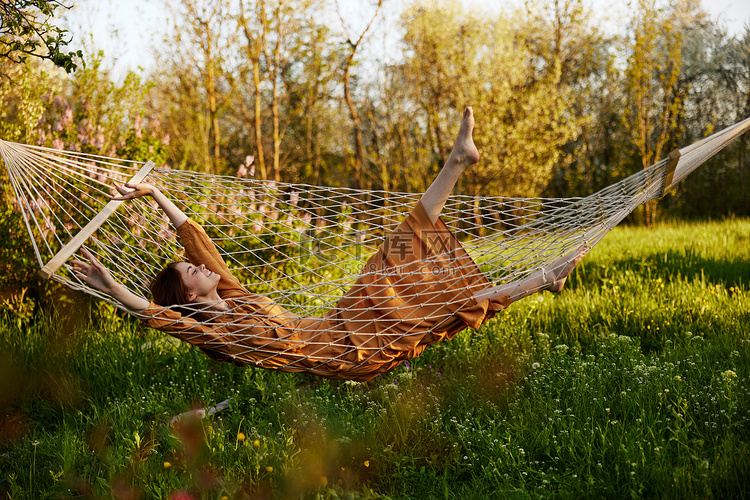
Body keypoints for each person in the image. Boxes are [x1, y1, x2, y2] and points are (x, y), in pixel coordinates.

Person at [72, 108, 587, 381]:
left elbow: (200, 244)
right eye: (191, 275)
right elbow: (154, 313)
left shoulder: (234, 299)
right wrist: (109, 283)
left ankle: (456, 161)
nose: (201, 270)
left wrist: (156, 192)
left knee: (399, 249)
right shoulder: (218, 333)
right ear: (188, 299)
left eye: (195, 269)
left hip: (344, 320)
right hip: (353, 352)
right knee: (443, 308)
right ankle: (545, 278)